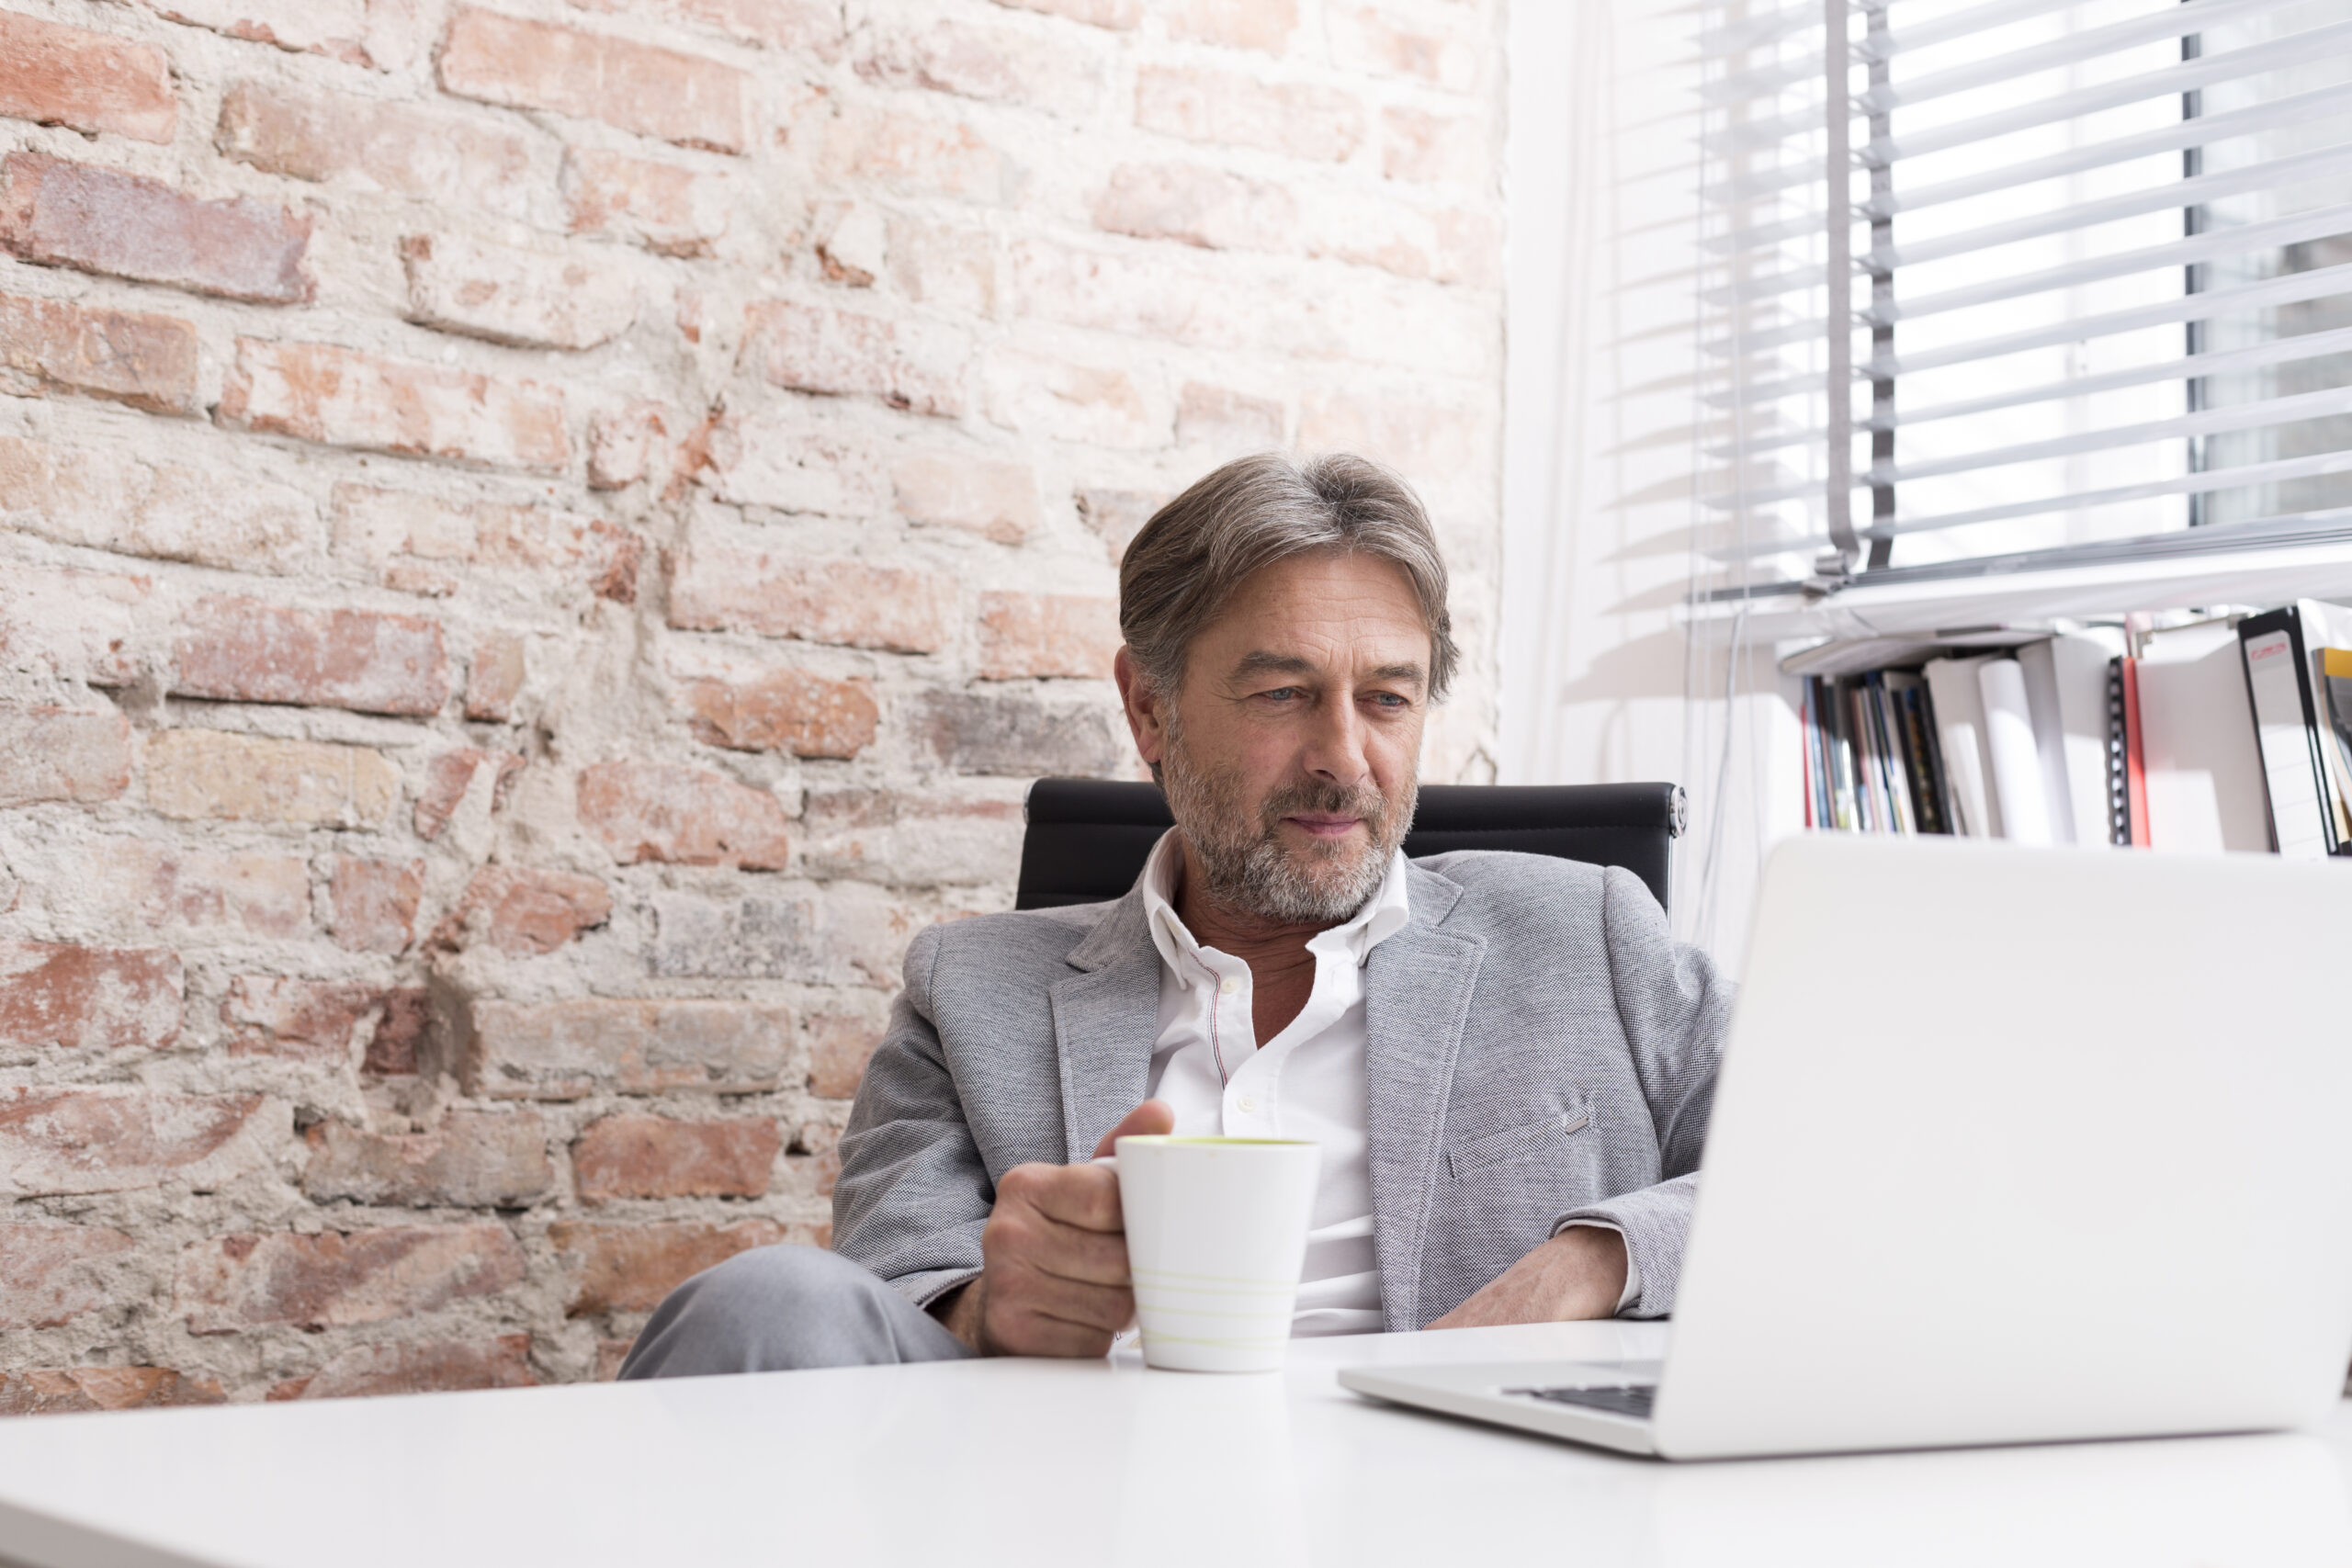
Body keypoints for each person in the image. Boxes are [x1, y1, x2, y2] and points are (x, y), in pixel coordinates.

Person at [619, 452, 1727, 1377]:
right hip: (1073, 1502)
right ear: (1149, 710)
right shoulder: (970, 994)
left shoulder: (1586, 934)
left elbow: (1855, 1154)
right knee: (763, 1301)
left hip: (1444, 1502)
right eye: (1281, 694)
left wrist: (1590, 1260)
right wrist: (992, 1307)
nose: (1345, 759)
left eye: (1387, 697)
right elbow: (890, 1288)